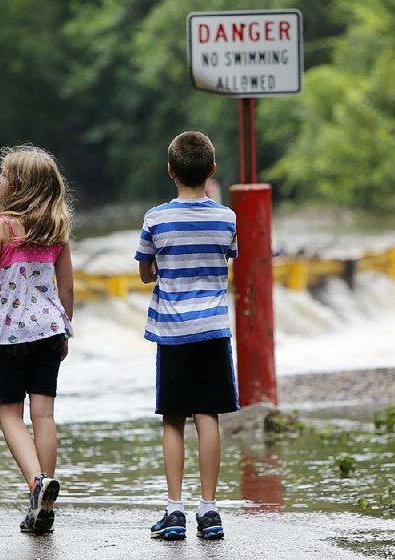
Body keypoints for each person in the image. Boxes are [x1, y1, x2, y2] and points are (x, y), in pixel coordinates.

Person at [134, 131, 240, 541]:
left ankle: (174, 510)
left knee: (174, 419)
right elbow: (228, 258)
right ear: (212, 171)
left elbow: (145, 270)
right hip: (213, 329)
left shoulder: (155, 218)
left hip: (173, 331)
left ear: (170, 172)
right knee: (207, 415)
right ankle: (209, 510)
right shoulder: (227, 217)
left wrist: (158, 270)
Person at [0, 145, 74, 535]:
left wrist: (2, 284)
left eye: (3, 175)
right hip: (50, 331)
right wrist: (65, 330)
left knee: (9, 414)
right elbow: (67, 290)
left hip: (13, 334)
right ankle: (44, 492)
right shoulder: (58, 227)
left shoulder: (0, 226)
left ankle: (36, 484)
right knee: (44, 415)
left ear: (19, 185)